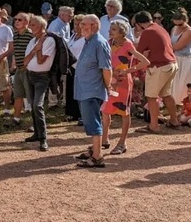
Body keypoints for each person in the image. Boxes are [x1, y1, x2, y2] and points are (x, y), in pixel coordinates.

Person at [101, 21, 149, 155]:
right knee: (105, 110)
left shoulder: (128, 44)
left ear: (122, 32)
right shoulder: (109, 42)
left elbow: (145, 61)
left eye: (114, 29)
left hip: (123, 83)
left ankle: (122, 143)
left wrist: (128, 71)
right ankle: (104, 139)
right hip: (111, 81)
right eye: (110, 28)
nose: (110, 31)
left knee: (124, 112)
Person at [74, 15, 112, 168]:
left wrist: (108, 87)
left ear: (95, 26)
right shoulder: (89, 41)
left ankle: (97, 156)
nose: (81, 27)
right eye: (80, 24)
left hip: (92, 90)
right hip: (85, 89)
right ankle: (94, 151)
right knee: (90, 121)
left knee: (94, 122)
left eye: (84, 24)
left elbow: (107, 68)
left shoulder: (99, 43)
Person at [135, 10, 179, 132]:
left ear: (139, 24)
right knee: (166, 94)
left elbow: (138, 52)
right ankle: (174, 120)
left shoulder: (147, 32)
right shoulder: (160, 28)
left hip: (159, 66)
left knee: (151, 96)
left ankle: (154, 126)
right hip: (172, 64)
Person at [23, 16, 57, 151]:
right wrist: (35, 49)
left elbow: (42, 60)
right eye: (30, 25)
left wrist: (37, 51)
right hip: (30, 74)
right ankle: (37, 134)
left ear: (42, 27)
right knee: (32, 104)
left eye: (33, 25)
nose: (30, 27)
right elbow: (25, 61)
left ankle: (43, 139)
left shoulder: (49, 40)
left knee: (38, 105)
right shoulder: (33, 41)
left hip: (42, 77)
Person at [11, 12, 33, 126]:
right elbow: (15, 52)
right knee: (18, 95)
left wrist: (28, 65)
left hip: (28, 70)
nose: (16, 22)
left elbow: (34, 52)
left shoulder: (30, 35)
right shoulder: (15, 35)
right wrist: (13, 65)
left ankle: (35, 123)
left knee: (31, 97)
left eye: (20, 20)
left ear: (27, 22)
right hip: (19, 69)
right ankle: (16, 118)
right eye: (16, 19)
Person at [65, 14, 86, 122]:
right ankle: (73, 113)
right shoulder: (73, 36)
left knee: (81, 91)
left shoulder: (85, 38)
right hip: (71, 67)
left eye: (79, 24)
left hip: (80, 67)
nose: (77, 26)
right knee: (71, 90)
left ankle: (82, 114)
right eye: (75, 23)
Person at [169, 8, 191, 104]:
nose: (178, 26)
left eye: (180, 24)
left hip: (185, 60)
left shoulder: (189, 31)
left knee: (182, 85)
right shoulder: (174, 29)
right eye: (176, 24)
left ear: (186, 21)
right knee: (173, 84)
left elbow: (178, 46)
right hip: (175, 58)